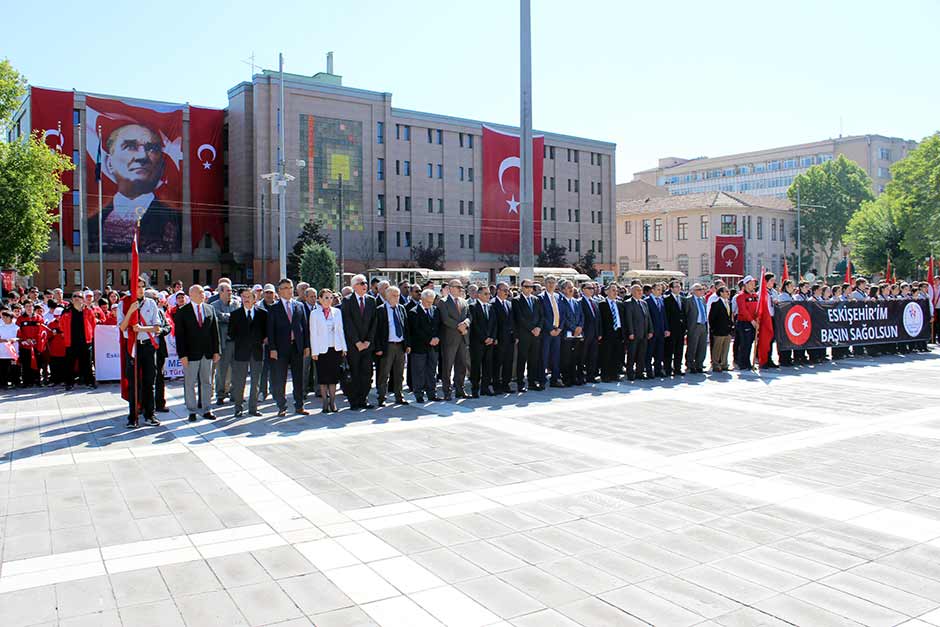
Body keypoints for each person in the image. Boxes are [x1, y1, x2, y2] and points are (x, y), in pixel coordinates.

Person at [87, 120, 181, 253]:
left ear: (162, 167)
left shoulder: (177, 221)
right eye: (130, 146)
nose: (142, 156)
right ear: (109, 163)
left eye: (152, 149)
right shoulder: (92, 223)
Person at [117, 278, 162, 428]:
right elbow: (122, 327)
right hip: (133, 346)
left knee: (149, 381)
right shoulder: (123, 303)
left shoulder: (151, 303)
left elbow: (157, 328)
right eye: (138, 287)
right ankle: (133, 416)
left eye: (143, 287)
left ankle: (150, 414)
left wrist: (141, 329)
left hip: (147, 346)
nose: (141, 290)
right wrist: (130, 311)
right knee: (133, 382)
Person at [174, 285, 221, 422]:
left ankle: (207, 409)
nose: (203, 294)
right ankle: (192, 410)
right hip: (190, 354)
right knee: (190, 383)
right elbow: (180, 336)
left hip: (207, 353)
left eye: (203, 292)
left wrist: (216, 351)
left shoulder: (209, 309)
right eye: (200, 292)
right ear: (192, 294)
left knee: (206, 382)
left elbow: (215, 332)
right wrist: (182, 355)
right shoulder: (183, 312)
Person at [267, 278, 311, 416]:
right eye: (285, 288)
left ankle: (299, 405)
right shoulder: (274, 308)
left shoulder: (299, 306)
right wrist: (272, 348)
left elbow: (305, 327)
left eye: (290, 287)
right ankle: (282, 406)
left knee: (298, 377)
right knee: (281, 377)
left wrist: (306, 346)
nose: (288, 290)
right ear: (279, 291)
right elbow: (270, 330)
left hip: (297, 347)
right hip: (280, 348)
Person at [228, 287, 267, 417]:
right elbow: (231, 333)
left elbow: (265, 332)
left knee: (256, 381)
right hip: (241, 352)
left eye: (248, 297)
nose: (246, 299)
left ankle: (253, 408)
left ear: (254, 299)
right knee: (239, 381)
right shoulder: (235, 314)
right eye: (243, 297)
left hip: (256, 352)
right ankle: (238, 408)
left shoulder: (262, 314)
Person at [342, 274, 378, 409]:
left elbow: (374, 322)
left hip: (367, 345)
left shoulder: (371, 300)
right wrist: (357, 342)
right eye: (362, 283)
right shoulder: (347, 301)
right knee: (354, 373)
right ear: (354, 286)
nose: (365, 286)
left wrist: (368, 341)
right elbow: (347, 323)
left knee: (366, 373)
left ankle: (364, 399)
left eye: (365, 283)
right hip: (353, 346)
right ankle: (354, 401)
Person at [309, 288, 347, 413]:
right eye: (326, 297)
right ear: (320, 299)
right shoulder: (314, 314)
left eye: (331, 298)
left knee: (333, 376)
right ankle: (325, 402)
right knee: (323, 376)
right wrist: (314, 351)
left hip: (335, 348)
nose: (329, 300)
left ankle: (333, 401)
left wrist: (344, 347)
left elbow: (341, 330)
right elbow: (313, 333)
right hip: (321, 349)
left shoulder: (337, 312)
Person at [374, 285, 410, 406]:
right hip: (387, 346)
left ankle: (399, 396)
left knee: (399, 373)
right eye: (394, 295)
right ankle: (381, 397)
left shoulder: (401, 308)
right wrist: (378, 348)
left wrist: (407, 344)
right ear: (388, 296)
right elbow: (377, 331)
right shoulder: (381, 310)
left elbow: (406, 328)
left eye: (398, 295)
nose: (397, 298)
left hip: (400, 345)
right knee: (384, 373)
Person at [407, 289, 442, 402]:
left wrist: (437, 337)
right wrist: (429, 340)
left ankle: (432, 393)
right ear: (421, 299)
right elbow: (416, 330)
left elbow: (438, 326)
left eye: (431, 302)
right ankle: (419, 394)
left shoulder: (435, 310)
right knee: (419, 371)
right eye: (427, 302)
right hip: (419, 347)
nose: (429, 304)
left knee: (432, 370)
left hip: (433, 346)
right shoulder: (413, 312)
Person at [439, 280, 471, 400]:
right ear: (451, 288)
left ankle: (460, 389)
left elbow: (469, 316)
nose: (461, 289)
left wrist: (466, 324)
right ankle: (447, 391)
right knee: (447, 366)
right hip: (450, 339)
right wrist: (460, 326)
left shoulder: (463, 301)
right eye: (458, 287)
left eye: (461, 287)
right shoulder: (443, 302)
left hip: (462, 338)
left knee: (461, 365)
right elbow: (445, 319)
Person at [60, 291, 97, 390]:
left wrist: (89, 335)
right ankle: (69, 383)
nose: (77, 298)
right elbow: (61, 325)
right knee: (69, 364)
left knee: (87, 363)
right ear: (72, 299)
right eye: (74, 296)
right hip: (71, 342)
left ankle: (89, 382)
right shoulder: (66, 311)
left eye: (79, 296)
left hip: (85, 342)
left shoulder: (88, 311)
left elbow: (93, 324)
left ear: (83, 299)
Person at [211, 282, 241, 404]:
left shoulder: (236, 303)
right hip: (223, 342)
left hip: (236, 341)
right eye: (227, 291)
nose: (230, 293)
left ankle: (234, 393)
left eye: (231, 291)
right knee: (222, 370)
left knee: (236, 369)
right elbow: (219, 317)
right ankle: (220, 394)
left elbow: (239, 317)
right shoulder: (214, 305)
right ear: (221, 292)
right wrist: (231, 317)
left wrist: (228, 318)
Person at [513, 280, 543, 392]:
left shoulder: (536, 299)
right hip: (524, 334)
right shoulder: (516, 301)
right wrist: (531, 328)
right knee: (522, 359)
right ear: (521, 287)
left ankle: (532, 382)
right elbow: (519, 318)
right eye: (527, 286)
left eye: (531, 287)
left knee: (533, 359)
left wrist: (538, 328)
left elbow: (541, 316)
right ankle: (520, 383)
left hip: (536, 335)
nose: (529, 289)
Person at [469, 285, 497, 397]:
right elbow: (475, 325)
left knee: (488, 366)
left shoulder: (491, 307)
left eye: (489, 293)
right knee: (476, 366)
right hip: (478, 342)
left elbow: (494, 324)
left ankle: (485, 388)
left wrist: (492, 337)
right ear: (479, 295)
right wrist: (484, 338)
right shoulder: (473, 307)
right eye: (485, 294)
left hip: (489, 342)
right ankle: (475, 389)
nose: (488, 296)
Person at [539, 276, 565, 388]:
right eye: (549, 282)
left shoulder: (559, 297)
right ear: (545, 284)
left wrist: (559, 328)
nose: (551, 284)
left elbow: (563, 314)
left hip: (557, 332)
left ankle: (555, 379)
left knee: (556, 357)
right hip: (546, 332)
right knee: (543, 357)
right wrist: (550, 329)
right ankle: (542, 380)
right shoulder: (540, 298)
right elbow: (542, 316)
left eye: (553, 283)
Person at [623, 284, 652, 381]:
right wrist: (630, 332)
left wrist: (650, 330)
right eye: (637, 290)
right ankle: (630, 373)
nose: (640, 292)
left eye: (641, 290)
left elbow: (648, 317)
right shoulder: (628, 303)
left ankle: (639, 372)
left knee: (641, 354)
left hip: (644, 333)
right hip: (634, 334)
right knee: (632, 355)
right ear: (632, 292)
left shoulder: (644, 303)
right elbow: (629, 319)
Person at [558, 280, 584, 386]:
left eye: (572, 287)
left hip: (577, 334)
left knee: (575, 357)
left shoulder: (576, 301)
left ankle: (574, 377)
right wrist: (574, 328)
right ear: (563, 289)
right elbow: (563, 318)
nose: (571, 289)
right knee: (566, 357)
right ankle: (566, 378)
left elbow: (582, 316)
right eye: (568, 287)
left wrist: (580, 327)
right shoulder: (560, 301)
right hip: (566, 334)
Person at [492, 282, 516, 394]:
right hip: (499, 339)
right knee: (497, 363)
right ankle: (496, 385)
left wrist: (515, 336)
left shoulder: (509, 303)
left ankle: (506, 384)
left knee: (508, 362)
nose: (507, 292)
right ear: (498, 291)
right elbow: (493, 323)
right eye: (504, 290)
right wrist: (494, 337)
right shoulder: (492, 303)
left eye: (508, 290)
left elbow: (513, 321)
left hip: (509, 338)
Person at [598, 283, 625, 382]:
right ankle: (605, 375)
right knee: (606, 355)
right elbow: (600, 320)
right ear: (606, 292)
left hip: (618, 332)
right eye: (613, 290)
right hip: (607, 333)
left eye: (616, 290)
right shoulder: (602, 304)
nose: (615, 292)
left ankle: (615, 374)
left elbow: (622, 319)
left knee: (616, 354)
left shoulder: (620, 303)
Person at [733, 276, 760, 370]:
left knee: (750, 343)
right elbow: (743, 310)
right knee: (745, 343)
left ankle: (747, 363)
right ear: (746, 285)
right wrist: (752, 321)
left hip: (753, 322)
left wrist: (757, 319)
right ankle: (742, 363)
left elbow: (757, 309)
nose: (753, 285)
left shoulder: (755, 296)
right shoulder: (740, 296)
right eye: (751, 283)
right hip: (744, 322)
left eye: (754, 284)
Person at [683, 283, 709, 374]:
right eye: (699, 289)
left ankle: (699, 364)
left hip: (703, 325)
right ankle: (690, 364)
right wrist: (687, 327)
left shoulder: (703, 299)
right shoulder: (688, 300)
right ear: (693, 291)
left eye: (702, 289)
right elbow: (685, 314)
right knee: (692, 346)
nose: (701, 291)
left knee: (702, 347)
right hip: (694, 326)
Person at [578, 283, 601, 384]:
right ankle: (580, 376)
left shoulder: (595, 302)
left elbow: (598, 319)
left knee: (593, 356)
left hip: (595, 334)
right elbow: (580, 318)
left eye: (593, 288)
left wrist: (599, 332)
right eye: (589, 288)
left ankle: (590, 376)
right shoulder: (579, 302)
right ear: (583, 290)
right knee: (582, 356)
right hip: (585, 334)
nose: (592, 290)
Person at [644, 283, 667, 378]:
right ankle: (649, 371)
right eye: (658, 289)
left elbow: (664, 316)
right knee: (649, 352)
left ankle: (658, 370)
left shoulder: (661, 300)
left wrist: (666, 328)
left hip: (661, 331)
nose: (660, 291)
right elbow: (647, 318)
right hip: (652, 332)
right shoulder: (647, 301)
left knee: (659, 352)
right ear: (652, 290)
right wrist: (649, 331)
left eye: (661, 290)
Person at [663, 280, 686, 376]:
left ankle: (677, 368)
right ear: (671, 288)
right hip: (671, 329)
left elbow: (684, 314)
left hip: (680, 329)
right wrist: (667, 328)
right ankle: (668, 369)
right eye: (676, 286)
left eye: (679, 286)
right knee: (669, 350)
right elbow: (666, 315)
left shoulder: (682, 298)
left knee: (679, 349)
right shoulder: (667, 299)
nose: (678, 288)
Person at [708, 285, 733, 372]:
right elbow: (711, 318)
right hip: (719, 330)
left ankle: (724, 364)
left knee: (725, 348)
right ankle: (716, 364)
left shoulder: (729, 303)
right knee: (717, 348)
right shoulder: (716, 304)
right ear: (721, 293)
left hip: (727, 330)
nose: (728, 293)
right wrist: (714, 329)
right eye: (726, 291)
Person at [0, 309, 19, 389]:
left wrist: (14, 339)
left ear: (11, 317)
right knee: (3, 369)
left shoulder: (16, 327)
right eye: (3, 317)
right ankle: (3, 383)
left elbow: (20, 338)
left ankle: (15, 382)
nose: (4, 319)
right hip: (2, 352)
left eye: (6, 317)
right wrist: (5, 340)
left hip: (13, 352)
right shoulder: (0, 327)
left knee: (14, 368)